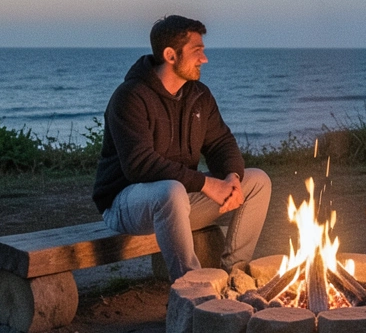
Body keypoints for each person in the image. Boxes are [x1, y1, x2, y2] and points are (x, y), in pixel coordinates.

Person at [93, 15, 271, 280]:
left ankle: (235, 277)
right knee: (171, 191)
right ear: (170, 55)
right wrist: (208, 185)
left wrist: (232, 177)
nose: (204, 59)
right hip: (126, 205)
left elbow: (221, 142)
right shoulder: (130, 97)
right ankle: (192, 289)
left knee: (257, 181)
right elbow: (140, 165)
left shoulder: (199, 95)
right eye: (197, 51)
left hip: (179, 201)